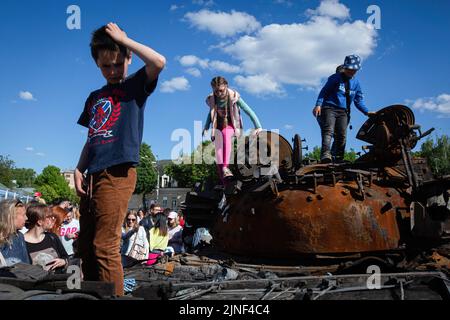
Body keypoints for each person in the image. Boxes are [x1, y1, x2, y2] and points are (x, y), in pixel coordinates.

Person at [73, 23, 165, 296]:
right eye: (105, 66)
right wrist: (79, 169)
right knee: (86, 245)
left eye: (117, 64)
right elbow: (92, 137)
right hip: (92, 174)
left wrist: (125, 39)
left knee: (105, 244)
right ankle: (91, 293)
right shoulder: (94, 98)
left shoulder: (135, 86)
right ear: (97, 65)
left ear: (129, 59)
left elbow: (159, 61)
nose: (112, 71)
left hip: (118, 172)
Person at [312, 55, 375, 163]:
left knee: (341, 134)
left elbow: (358, 101)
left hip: (343, 111)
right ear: (345, 67)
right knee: (328, 131)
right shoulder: (335, 78)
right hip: (329, 108)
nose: (351, 71)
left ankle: (338, 157)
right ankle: (326, 155)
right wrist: (318, 104)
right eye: (349, 69)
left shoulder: (356, 83)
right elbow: (324, 91)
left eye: (354, 70)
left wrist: (367, 112)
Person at [202, 76, 263, 184]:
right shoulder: (213, 99)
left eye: (221, 90)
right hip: (218, 127)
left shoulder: (233, 96)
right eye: (215, 91)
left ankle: (226, 168)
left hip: (231, 125)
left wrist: (258, 126)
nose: (218, 93)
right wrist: (206, 126)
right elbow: (211, 113)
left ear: (226, 86)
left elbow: (248, 111)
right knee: (218, 156)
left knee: (226, 135)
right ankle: (225, 186)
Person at [24, 204, 68, 272]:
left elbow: (65, 256)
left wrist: (63, 261)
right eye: (49, 217)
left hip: (58, 281)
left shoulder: (52, 237)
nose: (53, 219)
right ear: (39, 221)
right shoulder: (21, 243)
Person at [0, 199, 30, 266]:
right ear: (11, 217)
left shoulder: (19, 236)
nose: (26, 218)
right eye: (23, 215)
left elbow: (26, 265)